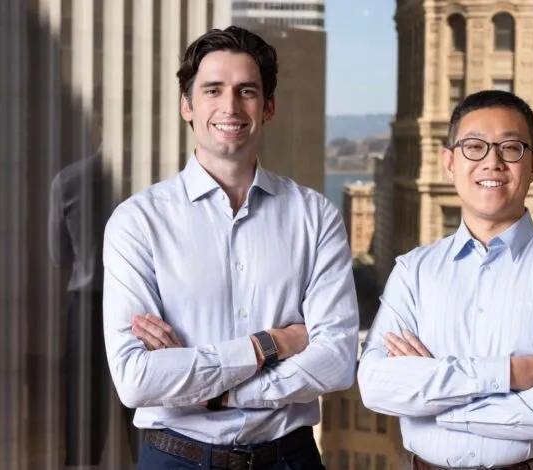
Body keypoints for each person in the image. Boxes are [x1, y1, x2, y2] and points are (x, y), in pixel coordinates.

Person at [101, 26, 359, 470]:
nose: (230, 107)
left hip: (290, 459)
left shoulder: (315, 217)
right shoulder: (137, 222)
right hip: (175, 459)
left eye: (247, 91)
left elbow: (336, 360)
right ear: (188, 105)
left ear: (269, 106)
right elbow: (136, 379)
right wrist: (271, 343)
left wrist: (216, 388)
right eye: (213, 90)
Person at [357, 90, 533, 470]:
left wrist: (440, 406)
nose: (492, 162)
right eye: (474, 147)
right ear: (450, 162)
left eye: (510, 148)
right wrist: (506, 374)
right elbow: (377, 384)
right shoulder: (414, 272)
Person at [48, 150, 141, 467]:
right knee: (143, 412)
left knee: (83, 413)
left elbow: (59, 256)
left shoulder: (68, 180)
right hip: (142, 308)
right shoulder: (151, 183)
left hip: (89, 307)